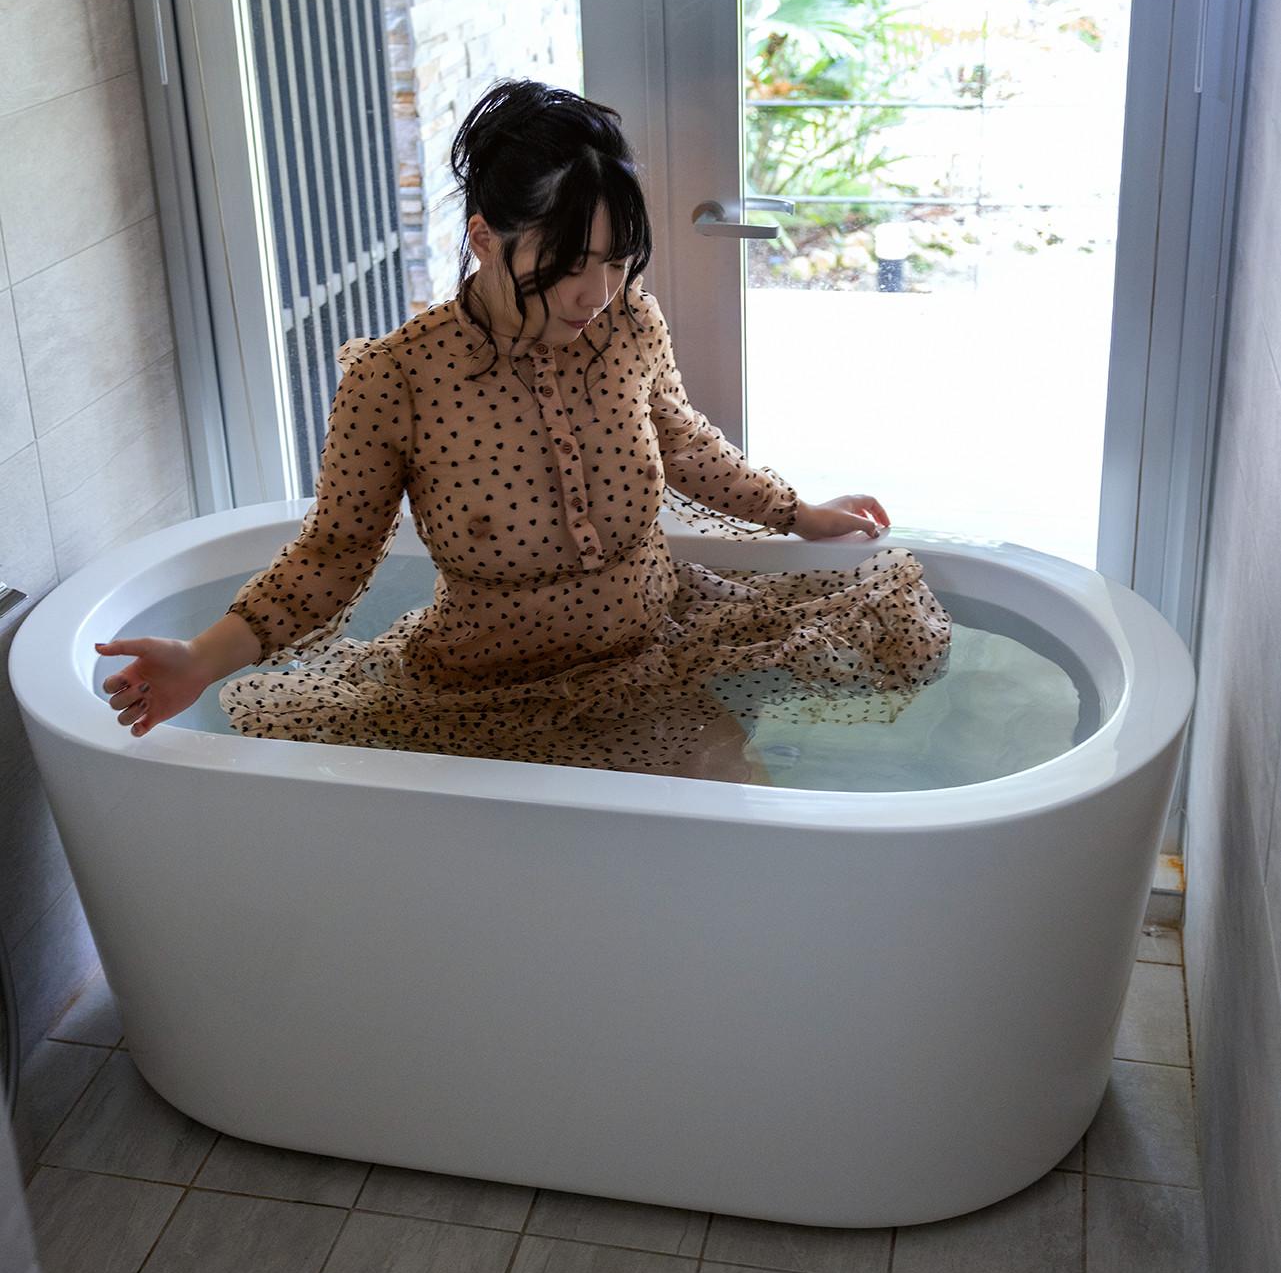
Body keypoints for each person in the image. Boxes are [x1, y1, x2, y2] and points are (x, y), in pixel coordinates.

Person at [96, 79, 952, 783]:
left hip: (651, 658)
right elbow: (332, 556)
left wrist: (796, 513)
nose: (597, 294)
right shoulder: (396, 380)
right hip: (483, 699)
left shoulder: (631, 325)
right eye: (569, 263)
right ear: (484, 239)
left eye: (615, 260)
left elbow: (685, 442)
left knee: (748, 819)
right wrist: (202, 658)